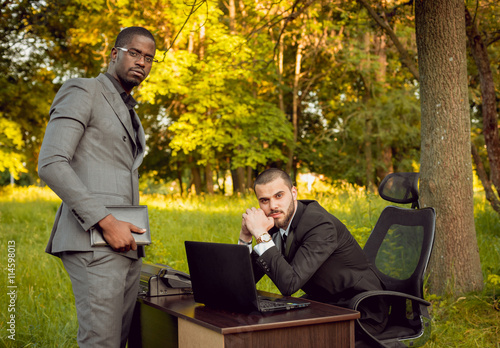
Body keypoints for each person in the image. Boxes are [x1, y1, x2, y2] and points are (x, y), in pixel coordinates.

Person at [38, 27, 156, 348]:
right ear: (114, 54)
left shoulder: (129, 110)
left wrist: (129, 236)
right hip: (95, 240)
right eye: (134, 52)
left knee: (118, 341)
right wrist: (106, 222)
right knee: (101, 343)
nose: (142, 62)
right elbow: (51, 162)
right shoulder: (83, 90)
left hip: (128, 245)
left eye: (149, 58)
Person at [239, 168, 387, 346]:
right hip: (325, 304)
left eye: (279, 196)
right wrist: (245, 237)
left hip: (360, 310)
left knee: (277, 336)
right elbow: (245, 282)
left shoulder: (319, 225)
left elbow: (289, 284)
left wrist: (262, 235)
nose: (272, 206)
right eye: (264, 200)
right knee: (258, 324)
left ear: (294, 193)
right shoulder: (276, 222)